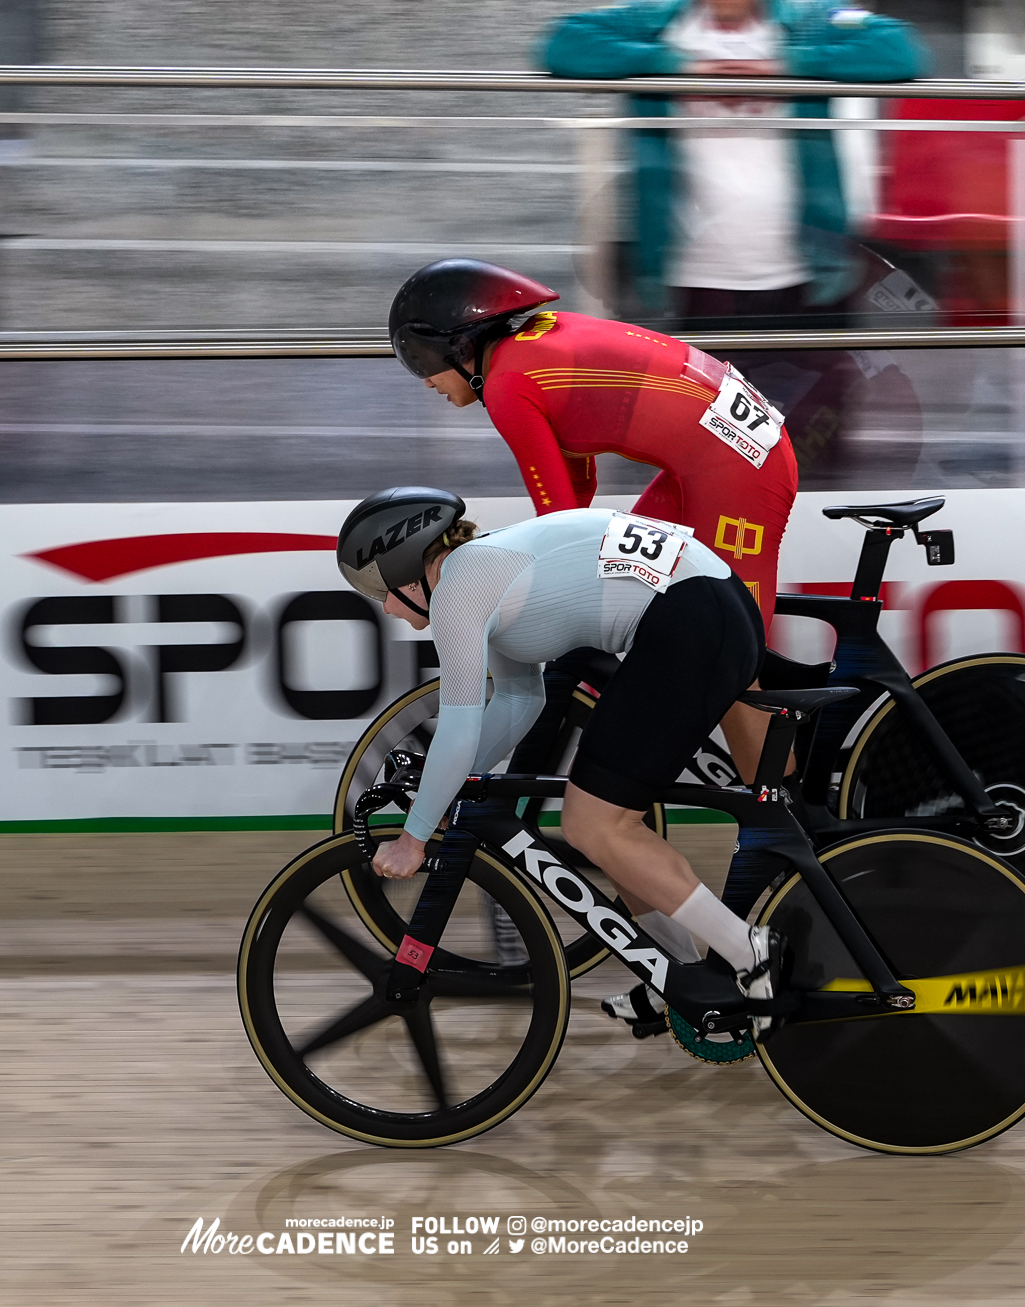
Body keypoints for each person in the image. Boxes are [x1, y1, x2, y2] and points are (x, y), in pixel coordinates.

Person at [337, 486, 781, 1031]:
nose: (383, 606)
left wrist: (414, 836)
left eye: (380, 590)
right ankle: (678, 975)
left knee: (595, 825)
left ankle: (749, 948)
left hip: (691, 618)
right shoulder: (480, 571)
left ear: (408, 573)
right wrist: (447, 788)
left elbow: (458, 725)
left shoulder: (456, 590)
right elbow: (521, 699)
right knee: (614, 831)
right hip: (713, 601)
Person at [389, 256, 794, 778]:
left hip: (736, 468)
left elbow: (557, 521)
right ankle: (629, 794)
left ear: (459, 343)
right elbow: (576, 493)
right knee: (648, 602)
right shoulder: (528, 352)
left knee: (733, 669)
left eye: (421, 361)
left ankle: (788, 830)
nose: (424, 381)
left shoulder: (510, 387)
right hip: (717, 458)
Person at [540, 0, 928, 321]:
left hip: (815, 271)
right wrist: (679, 66)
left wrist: (785, 67)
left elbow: (899, 50)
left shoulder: (811, 21)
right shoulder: (653, 22)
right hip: (693, 276)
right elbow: (564, 45)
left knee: (815, 412)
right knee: (705, 413)